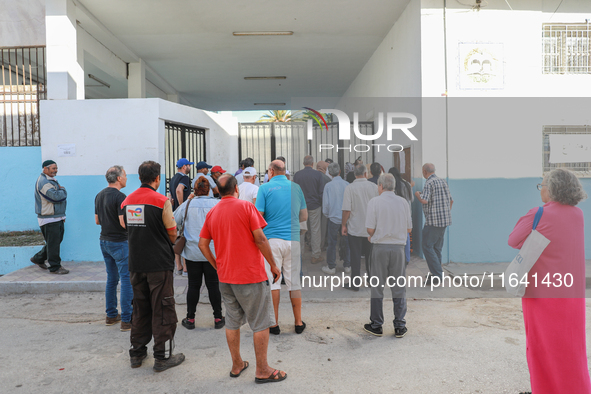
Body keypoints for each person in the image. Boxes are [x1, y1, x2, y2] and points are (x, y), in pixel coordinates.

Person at [198, 174, 287, 384]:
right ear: (236, 188)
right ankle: (263, 370)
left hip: (226, 277)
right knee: (260, 323)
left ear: (219, 191)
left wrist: (217, 265)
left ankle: (237, 364)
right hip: (250, 276)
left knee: (232, 321)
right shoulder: (247, 207)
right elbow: (260, 238)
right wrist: (274, 265)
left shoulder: (213, 212)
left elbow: (202, 244)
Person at [508, 168, 590, 394]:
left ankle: (544, 389)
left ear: (552, 189)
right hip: (572, 294)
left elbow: (513, 240)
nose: (540, 189)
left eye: (542, 185)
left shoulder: (539, 213)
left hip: (542, 295)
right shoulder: (578, 214)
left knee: (541, 347)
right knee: (572, 348)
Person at [121, 161, 185, 372]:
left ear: (139, 178)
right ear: (157, 178)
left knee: (139, 307)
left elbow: (125, 226)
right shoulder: (161, 200)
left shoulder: (127, 201)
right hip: (159, 263)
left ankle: (137, 353)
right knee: (163, 308)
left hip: (136, 263)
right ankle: (162, 357)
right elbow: (172, 232)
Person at [256, 160, 308, 335]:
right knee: (294, 281)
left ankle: (274, 324)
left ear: (271, 171)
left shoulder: (264, 188)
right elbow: (304, 215)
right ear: (285, 171)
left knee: (273, 282)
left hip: (272, 242)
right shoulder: (296, 188)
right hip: (293, 240)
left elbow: (259, 216)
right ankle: (298, 322)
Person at [363, 174, 411, 338]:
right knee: (399, 288)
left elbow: (370, 229)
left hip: (380, 249)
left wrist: (376, 234)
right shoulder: (403, 202)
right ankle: (399, 326)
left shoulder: (374, 202)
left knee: (377, 286)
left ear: (381, 186)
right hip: (398, 249)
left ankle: (376, 325)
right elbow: (409, 229)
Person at [174, 177, 224, 330]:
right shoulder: (217, 204)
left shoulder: (187, 204)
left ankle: (190, 319)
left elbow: (174, 220)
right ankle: (217, 318)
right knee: (213, 286)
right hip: (212, 253)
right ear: (209, 189)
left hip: (192, 253)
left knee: (193, 285)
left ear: (194, 190)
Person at [94, 165, 132, 331]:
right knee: (126, 279)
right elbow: (124, 223)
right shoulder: (121, 197)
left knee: (111, 279)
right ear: (118, 178)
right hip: (119, 243)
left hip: (104, 241)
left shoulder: (99, 195)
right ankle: (127, 319)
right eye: (124, 175)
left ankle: (111, 315)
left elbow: (97, 221)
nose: (126, 178)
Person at [341, 164, 378, 291]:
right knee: (370, 256)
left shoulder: (350, 188)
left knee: (355, 257)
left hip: (355, 228)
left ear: (354, 174)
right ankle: (371, 282)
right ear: (366, 174)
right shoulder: (374, 187)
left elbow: (346, 210)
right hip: (371, 229)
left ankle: (355, 284)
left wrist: (343, 225)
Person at [414, 163, 453, 282]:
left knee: (427, 246)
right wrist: (444, 213)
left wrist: (417, 195)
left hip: (433, 222)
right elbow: (451, 201)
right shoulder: (443, 181)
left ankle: (437, 275)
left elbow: (424, 200)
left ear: (425, 172)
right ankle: (436, 274)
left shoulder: (429, 182)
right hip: (444, 221)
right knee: (437, 248)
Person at [31, 160, 69, 274]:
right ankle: (55, 267)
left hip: (55, 217)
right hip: (49, 218)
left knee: (55, 242)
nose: (55, 170)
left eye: (56, 168)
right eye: (53, 168)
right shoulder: (44, 182)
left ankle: (38, 258)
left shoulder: (50, 180)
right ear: (45, 169)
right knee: (54, 244)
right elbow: (56, 197)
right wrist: (63, 190)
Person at [293, 155, 325, 264]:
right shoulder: (317, 175)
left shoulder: (297, 175)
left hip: (300, 207)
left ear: (303, 163)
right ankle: (315, 255)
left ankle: (299, 255)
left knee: (301, 230)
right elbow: (321, 191)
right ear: (312, 164)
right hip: (315, 206)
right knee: (315, 230)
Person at [321, 162, 351, 275]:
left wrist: (328, 215)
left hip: (333, 218)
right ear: (340, 171)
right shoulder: (347, 184)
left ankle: (331, 266)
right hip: (346, 219)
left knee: (332, 243)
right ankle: (347, 265)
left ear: (329, 173)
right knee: (347, 242)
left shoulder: (328, 186)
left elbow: (326, 205)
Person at [170, 158, 193, 276]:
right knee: (185, 238)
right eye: (189, 165)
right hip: (182, 213)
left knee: (177, 238)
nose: (190, 167)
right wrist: (182, 206)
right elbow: (179, 190)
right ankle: (185, 268)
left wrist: (174, 206)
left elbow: (170, 195)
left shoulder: (173, 178)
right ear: (184, 166)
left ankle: (178, 266)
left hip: (174, 214)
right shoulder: (184, 178)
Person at [388, 167, 414, 264]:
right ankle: (407, 258)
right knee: (406, 236)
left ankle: (394, 258)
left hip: (395, 215)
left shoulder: (392, 186)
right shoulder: (407, 184)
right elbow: (412, 199)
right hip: (407, 213)